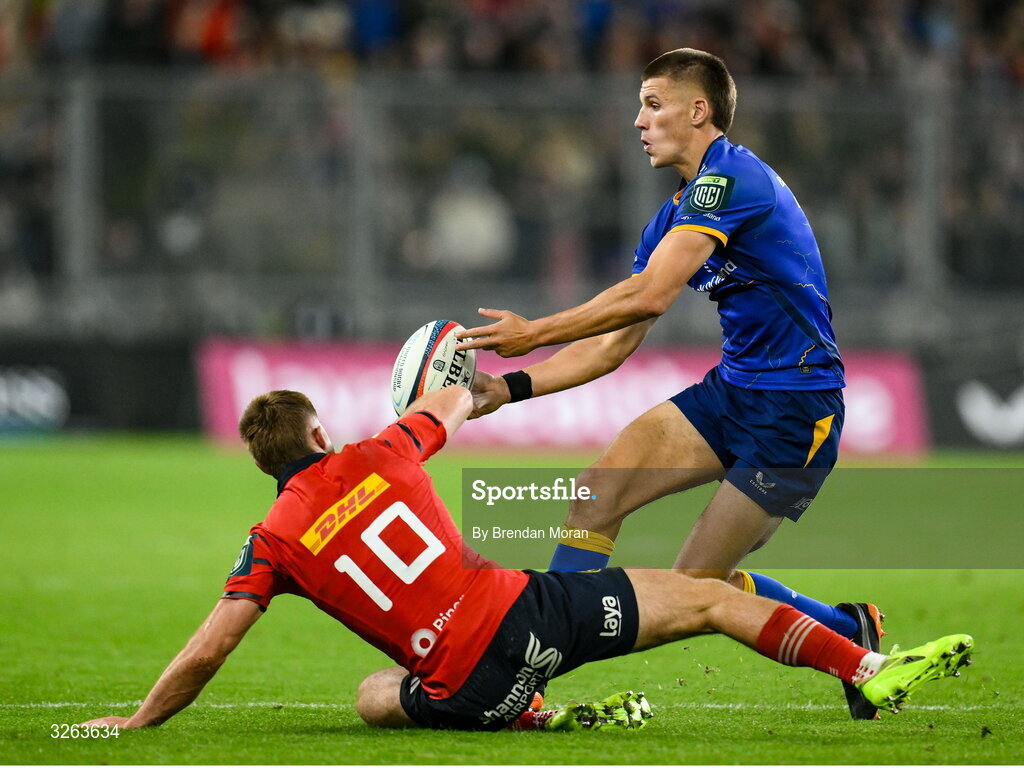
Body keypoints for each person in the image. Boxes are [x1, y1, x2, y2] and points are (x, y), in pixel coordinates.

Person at [80, 386, 972, 733]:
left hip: (468, 689)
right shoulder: (382, 451)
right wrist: (453, 368)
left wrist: (137, 722)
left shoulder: (270, 539)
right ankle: (864, 661)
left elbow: (209, 649)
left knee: (370, 696)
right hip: (538, 618)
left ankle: (532, 718)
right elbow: (455, 401)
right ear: (320, 432)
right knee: (705, 597)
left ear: (269, 466)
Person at [455, 48, 882, 719]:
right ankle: (532, 669)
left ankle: (845, 629)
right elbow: (610, 347)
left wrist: (533, 331)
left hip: (795, 410)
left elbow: (651, 296)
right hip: (732, 394)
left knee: (690, 589)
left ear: (698, 110)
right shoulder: (674, 218)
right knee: (598, 493)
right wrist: (508, 389)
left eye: (653, 104)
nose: (638, 120)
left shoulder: (733, 180)